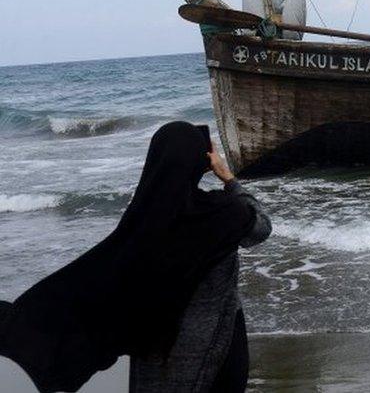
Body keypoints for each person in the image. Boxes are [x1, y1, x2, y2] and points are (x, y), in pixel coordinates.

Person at [0, 121, 271, 393]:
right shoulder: (222, 214)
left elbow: (96, 281)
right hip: (219, 344)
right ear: (200, 162)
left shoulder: (143, 219)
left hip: (157, 352)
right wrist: (229, 179)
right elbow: (261, 228)